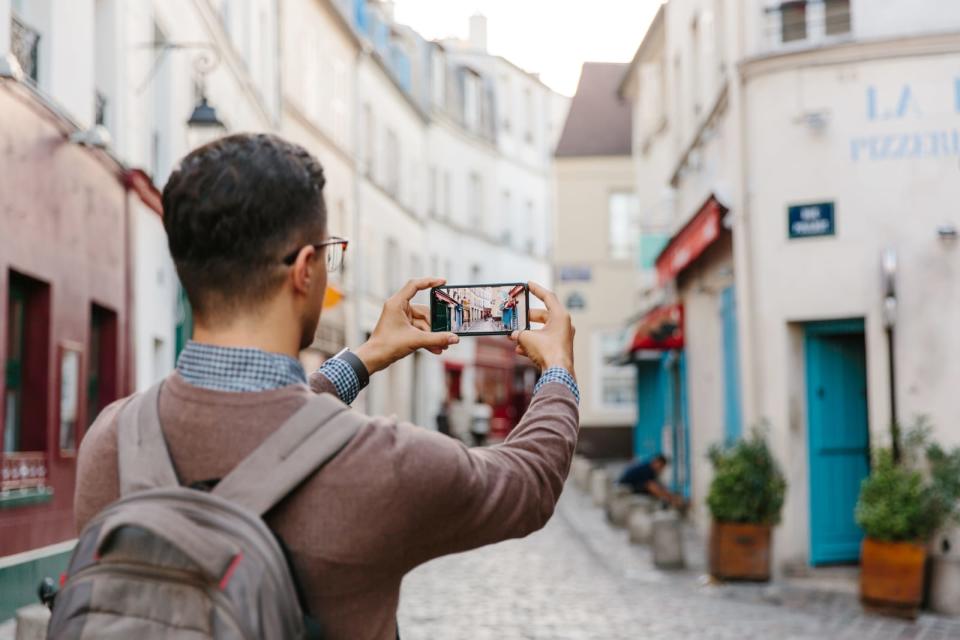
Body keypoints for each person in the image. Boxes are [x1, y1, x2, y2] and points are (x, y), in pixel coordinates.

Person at [74, 134, 579, 640]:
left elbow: (268, 429)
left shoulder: (111, 438)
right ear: (306, 270)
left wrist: (362, 358)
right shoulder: (382, 462)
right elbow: (528, 481)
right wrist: (557, 367)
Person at [618, 454, 686, 510]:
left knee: (657, 487)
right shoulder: (646, 469)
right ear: (656, 462)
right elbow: (651, 486)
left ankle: (673, 499)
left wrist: (668, 493)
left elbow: (659, 486)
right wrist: (668, 497)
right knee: (652, 486)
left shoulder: (650, 470)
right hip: (626, 488)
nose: (661, 469)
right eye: (661, 466)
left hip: (634, 486)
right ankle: (673, 501)